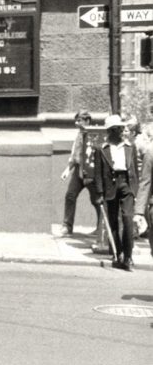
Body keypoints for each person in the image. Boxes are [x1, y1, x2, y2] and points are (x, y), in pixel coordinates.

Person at [93, 114, 138, 271]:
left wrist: (135, 191)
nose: (122, 131)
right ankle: (117, 253)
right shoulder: (101, 149)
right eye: (119, 128)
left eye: (122, 128)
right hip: (110, 186)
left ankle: (128, 256)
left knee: (127, 220)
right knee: (112, 222)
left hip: (126, 184)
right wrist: (99, 193)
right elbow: (97, 173)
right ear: (111, 131)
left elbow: (134, 171)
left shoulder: (130, 147)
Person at [59, 110, 98, 236]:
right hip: (78, 171)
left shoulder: (94, 134)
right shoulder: (78, 135)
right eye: (76, 120)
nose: (77, 123)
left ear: (87, 121)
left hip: (91, 172)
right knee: (70, 195)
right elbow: (74, 154)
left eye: (79, 120)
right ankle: (67, 226)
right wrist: (67, 170)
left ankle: (101, 226)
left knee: (96, 200)